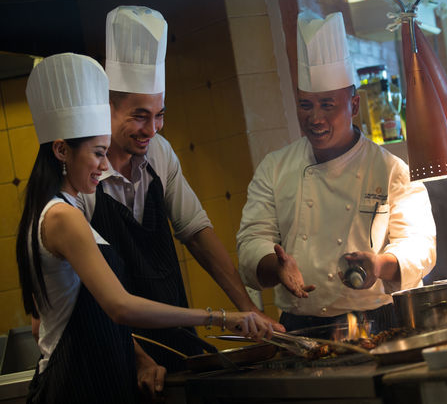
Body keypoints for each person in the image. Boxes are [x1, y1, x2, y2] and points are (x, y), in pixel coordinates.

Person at [16, 53, 272, 404]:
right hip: (75, 383)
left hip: (101, 376)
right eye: (97, 153)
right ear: (61, 150)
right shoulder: (63, 217)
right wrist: (223, 317)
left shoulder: (56, 209)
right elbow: (120, 307)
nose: (105, 165)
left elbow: (195, 231)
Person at [75, 6, 283, 373]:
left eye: (159, 114)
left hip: (174, 341)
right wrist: (137, 359)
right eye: (139, 115)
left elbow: (197, 234)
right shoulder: (85, 173)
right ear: (107, 107)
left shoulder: (160, 152)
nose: (152, 129)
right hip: (113, 354)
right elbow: (85, 292)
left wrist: (251, 311)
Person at [236, 12, 437, 334]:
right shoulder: (275, 168)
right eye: (306, 105)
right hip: (300, 324)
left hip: (377, 319)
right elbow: (251, 239)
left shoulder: (390, 170)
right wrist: (277, 267)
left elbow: (419, 244)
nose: (315, 118)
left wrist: (380, 265)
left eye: (328, 105)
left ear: (354, 105)